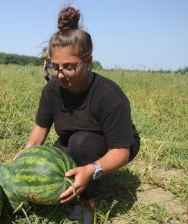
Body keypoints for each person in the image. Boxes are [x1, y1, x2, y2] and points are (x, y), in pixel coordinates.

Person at [13, 6, 140, 222]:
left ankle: (88, 204)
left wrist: (92, 170)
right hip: (72, 139)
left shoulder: (109, 95)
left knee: (82, 145)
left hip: (114, 145)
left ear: (88, 61)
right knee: (56, 163)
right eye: (55, 67)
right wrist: (25, 155)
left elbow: (121, 152)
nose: (60, 75)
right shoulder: (52, 90)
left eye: (69, 67)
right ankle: (81, 174)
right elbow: (40, 129)